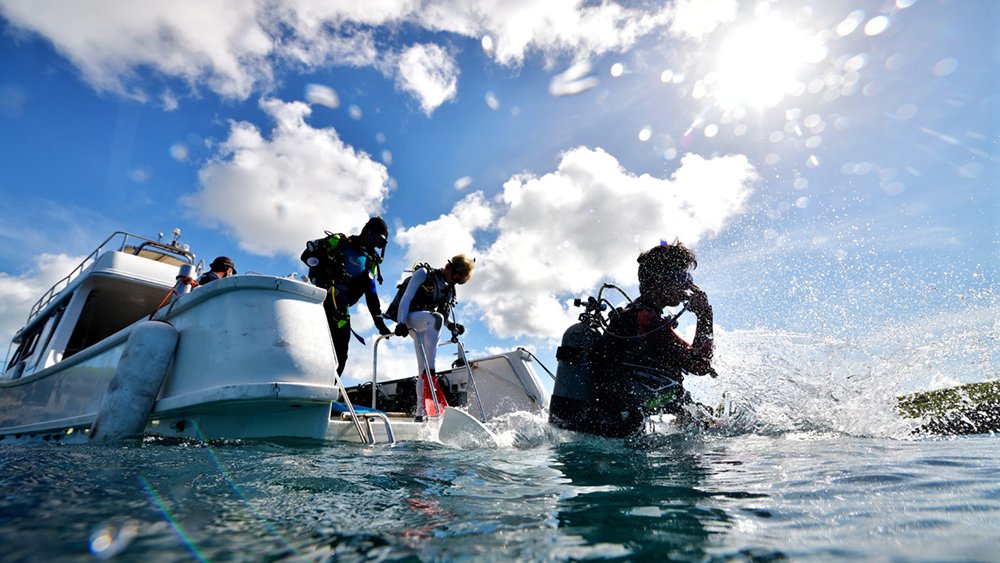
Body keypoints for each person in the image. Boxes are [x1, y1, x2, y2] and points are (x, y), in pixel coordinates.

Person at [593, 240, 715, 437]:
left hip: (618, 423)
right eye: (681, 277)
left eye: (688, 277)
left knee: (700, 416)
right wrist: (704, 316)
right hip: (619, 430)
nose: (688, 285)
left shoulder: (638, 316)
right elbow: (700, 365)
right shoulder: (645, 321)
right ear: (657, 281)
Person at [385, 255, 475, 417]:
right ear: (449, 267)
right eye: (456, 277)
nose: (455, 282)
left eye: (459, 281)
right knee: (435, 320)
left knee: (421, 368)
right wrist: (401, 323)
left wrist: (451, 325)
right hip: (408, 318)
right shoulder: (424, 274)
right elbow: (406, 298)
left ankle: (421, 412)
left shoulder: (448, 289)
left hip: (424, 323)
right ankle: (431, 373)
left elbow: (441, 317)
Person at [301, 217, 392, 375]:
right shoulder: (340, 242)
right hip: (316, 303)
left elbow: (371, 293)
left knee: (340, 356)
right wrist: (330, 265)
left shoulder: (371, 262)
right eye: (374, 239)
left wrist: (379, 322)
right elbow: (306, 256)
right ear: (367, 233)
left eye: (379, 243)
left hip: (340, 312)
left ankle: (328, 390)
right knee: (310, 349)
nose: (374, 246)